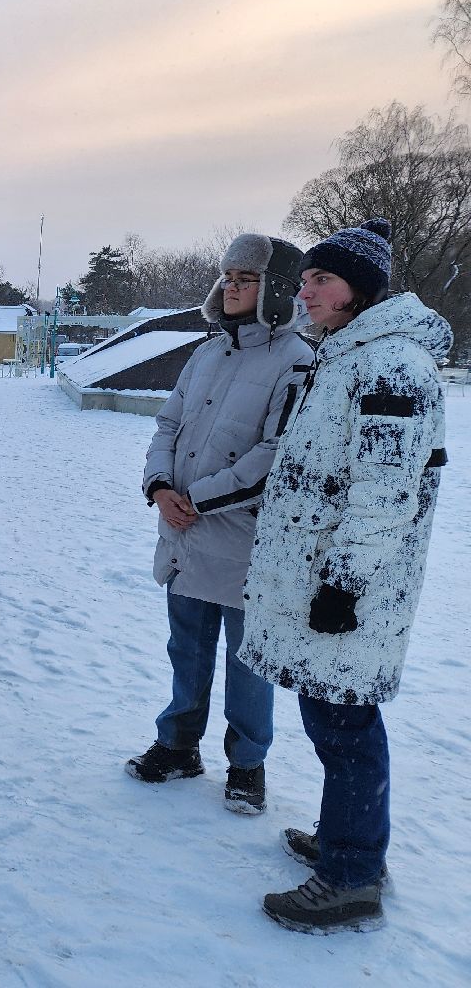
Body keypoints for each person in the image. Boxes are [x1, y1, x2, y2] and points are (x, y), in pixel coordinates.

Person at [239, 219, 450, 933]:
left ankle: (354, 873)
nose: (305, 292)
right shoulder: (348, 356)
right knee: (332, 721)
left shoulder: (393, 366)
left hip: (352, 592)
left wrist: (344, 583)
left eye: (320, 280)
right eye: (303, 281)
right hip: (321, 580)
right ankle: (346, 842)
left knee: (346, 726)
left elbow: (384, 495)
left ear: (359, 292)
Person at [126, 233, 314, 814]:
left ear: (275, 289)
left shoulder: (298, 361)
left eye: (246, 278)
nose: (230, 287)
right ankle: (178, 744)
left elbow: (276, 455)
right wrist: (160, 488)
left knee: (247, 661)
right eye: (227, 276)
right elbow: (166, 427)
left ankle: (247, 764)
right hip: (182, 534)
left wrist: (197, 500)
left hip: (245, 543)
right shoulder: (206, 354)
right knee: (186, 648)